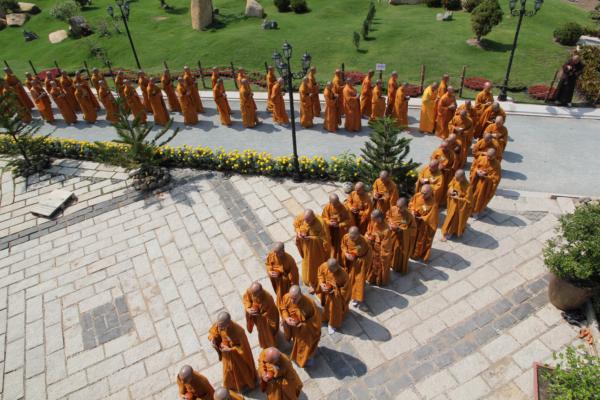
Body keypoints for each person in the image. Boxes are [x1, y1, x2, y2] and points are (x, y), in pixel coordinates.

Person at [208, 312, 258, 392]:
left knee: (240, 372)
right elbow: (214, 331)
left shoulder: (239, 332)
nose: (219, 327)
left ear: (228, 324)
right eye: (219, 325)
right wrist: (213, 338)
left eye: (221, 327)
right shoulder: (220, 324)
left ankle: (245, 384)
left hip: (237, 356)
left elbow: (243, 348)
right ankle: (230, 385)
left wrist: (230, 349)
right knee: (227, 370)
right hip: (226, 353)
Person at [279, 285, 321, 368]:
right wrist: (286, 318)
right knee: (296, 343)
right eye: (291, 298)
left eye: (294, 299)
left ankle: (307, 358)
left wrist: (301, 325)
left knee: (304, 348)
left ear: (300, 295)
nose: (292, 301)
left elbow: (315, 322)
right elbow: (283, 307)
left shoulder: (310, 304)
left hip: (305, 332)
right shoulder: (286, 297)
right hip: (293, 328)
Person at [293, 209, 330, 293]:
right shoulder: (302, 217)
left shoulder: (321, 223)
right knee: (306, 263)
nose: (306, 222)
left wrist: (311, 238)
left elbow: (325, 240)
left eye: (308, 220)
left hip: (316, 250)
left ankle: (315, 283)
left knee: (314, 266)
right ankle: (309, 281)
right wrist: (298, 232)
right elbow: (296, 224)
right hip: (305, 247)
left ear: (313, 217)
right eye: (305, 220)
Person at [341, 226, 372, 307]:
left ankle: (357, 297)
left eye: (354, 237)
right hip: (350, 261)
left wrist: (352, 255)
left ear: (358, 234)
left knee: (359, 279)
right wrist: (346, 253)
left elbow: (359, 251)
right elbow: (343, 246)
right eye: (350, 236)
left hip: (360, 262)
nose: (352, 238)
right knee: (350, 277)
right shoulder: (346, 237)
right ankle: (350, 290)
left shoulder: (363, 241)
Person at [317, 258, 350, 334]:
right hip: (326, 293)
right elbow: (320, 274)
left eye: (332, 270)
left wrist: (334, 291)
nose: (330, 271)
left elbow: (345, 289)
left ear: (337, 267)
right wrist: (322, 283)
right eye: (329, 269)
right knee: (326, 307)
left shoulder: (343, 274)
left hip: (336, 297)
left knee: (334, 311)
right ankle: (325, 317)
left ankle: (332, 324)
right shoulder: (324, 266)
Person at [243, 282, 279, 349]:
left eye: (255, 295)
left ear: (261, 292)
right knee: (260, 331)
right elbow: (246, 300)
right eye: (253, 294)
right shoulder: (250, 291)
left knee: (268, 333)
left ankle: (270, 345)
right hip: (257, 318)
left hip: (265, 320)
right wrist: (248, 309)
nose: (253, 296)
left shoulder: (268, 298)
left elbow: (271, 313)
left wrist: (259, 315)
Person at [387, 197, 417, 275]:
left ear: (406, 207)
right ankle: (390, 263)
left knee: (398, 252)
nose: (398, 209)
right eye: (397, 206)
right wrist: (390, 224)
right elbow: (388, 217)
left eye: (400, 207)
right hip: (391, 235)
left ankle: (397, 266)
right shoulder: (393, 209)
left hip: (402, 239)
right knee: (390, 250)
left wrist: (401, 230)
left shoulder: (409, 216)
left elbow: (413, 230)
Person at [410, 184, 439, 262]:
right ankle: (410, 251)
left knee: (419, 241)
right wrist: (412, 210)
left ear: (430, 193)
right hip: (414, 222)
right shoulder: (417, 195)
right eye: (422, 192)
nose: (422, 195)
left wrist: (422, 218)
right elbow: (411, 203)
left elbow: (432, 218)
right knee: (412, 238)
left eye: (425, 194)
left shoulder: (433, 204)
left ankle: (416, 254)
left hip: (423, 226)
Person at [265, 242, 299, 308]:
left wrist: (281, 275)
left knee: (285, 296)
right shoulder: (272, 254)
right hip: (275, 281)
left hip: (285, 283)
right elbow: (268, 264)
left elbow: (293, 275)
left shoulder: (290, 260)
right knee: (278, 292)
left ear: (283, 251)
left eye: (278, 253)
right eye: (275, 252)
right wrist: (269, 271)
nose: (275, 254)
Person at [441, 169, 472, 241]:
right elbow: (450, 185)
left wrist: (458, 198)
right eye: (456, 177)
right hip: (452, 203)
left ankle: (449, 233)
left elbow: (468, 201)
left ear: (463, 177)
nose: (456, 180)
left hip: (459, 207)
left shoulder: (468, 187)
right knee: (449, 217)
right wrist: (451, 190)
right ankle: (448, 230)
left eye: (458, 179)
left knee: (454, 220)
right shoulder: (455, 178)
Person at [470, 148, 501, 218]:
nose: (488, 158)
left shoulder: (497, 165)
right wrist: (477, 171)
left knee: (480, 198)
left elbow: (496, 178)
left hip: (485, 186)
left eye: (490, 157)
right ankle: (470, 210)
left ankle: (476, 211)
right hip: (476, 181)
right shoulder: (481, 158)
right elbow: (473, 167)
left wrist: (486, 176)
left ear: (495, 156)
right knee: (473, 195)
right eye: (488, 156)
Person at [322, 193, 352, 262]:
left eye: (338, 202)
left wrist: (339, 225)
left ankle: (339, 258)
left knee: (340, 244)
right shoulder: (327, 207)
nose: (338, 204)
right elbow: (323, 218)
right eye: (335, 204)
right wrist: (329, 222)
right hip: (331, 229)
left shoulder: (344, 208)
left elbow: (349, 220)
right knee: (331, 244)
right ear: (330, 202)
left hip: (340, 230)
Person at [366, 209, 393, 286]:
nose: (373, 221)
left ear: (379, 218)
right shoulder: (373, 222)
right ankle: (371, 278)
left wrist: (382, 255)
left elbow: (386, 245)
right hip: (372, 249)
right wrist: (368, 236)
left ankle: (380, 281)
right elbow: (368, 231)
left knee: (379, 267)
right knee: (372, 265)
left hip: (380, 251)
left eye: (374, 219)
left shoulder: (386, 230)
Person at [430, 139, 455, 205]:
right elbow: (432, 160)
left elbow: (453, 165)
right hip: (435, 172)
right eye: (442, 147)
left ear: (449, 147)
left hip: (445, 174)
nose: (443, 149)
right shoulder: (437, 152)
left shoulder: (451, 154)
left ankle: (441, 201)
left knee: (444, 188)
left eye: (446, 147)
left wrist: (445, 168)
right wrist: (436, 167)